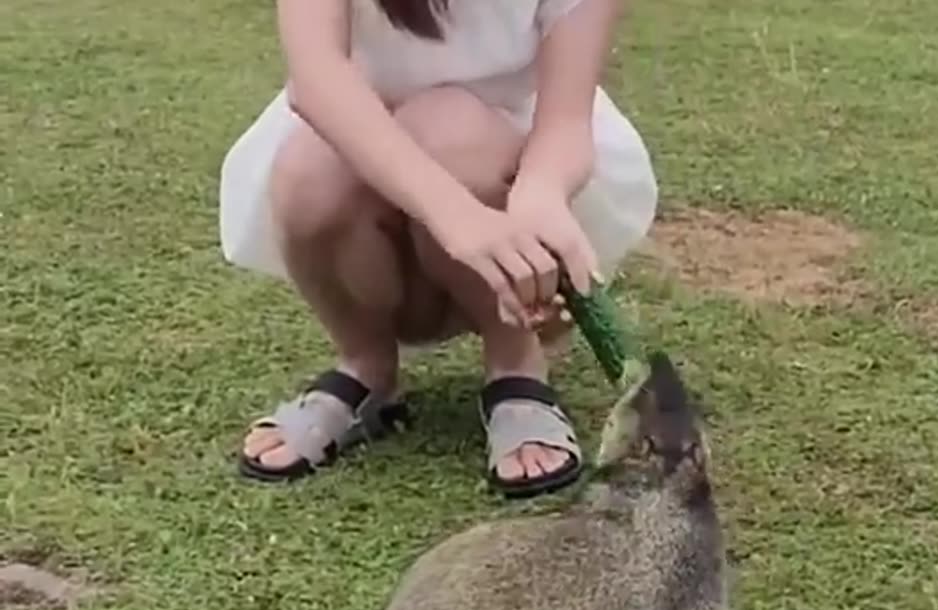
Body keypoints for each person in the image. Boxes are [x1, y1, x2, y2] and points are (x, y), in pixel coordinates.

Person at [217, 0, 658, 498]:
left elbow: (565, 123)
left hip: (499, 157)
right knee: (307, 172)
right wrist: (455, 216)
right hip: (366, 154)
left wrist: (539, 195)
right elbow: (317, 82)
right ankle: (365, 366)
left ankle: (516, 363)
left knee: (449, 126)